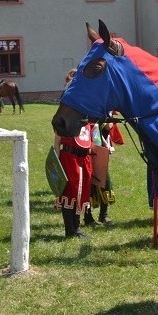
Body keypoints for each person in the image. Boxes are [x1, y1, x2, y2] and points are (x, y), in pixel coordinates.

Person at [53, 69, 93, 239]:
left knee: (81, 192)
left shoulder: (87, 112)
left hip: (84, 157)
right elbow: (57, 137)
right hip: (69, 157)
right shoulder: (68, 114)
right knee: (70, 193)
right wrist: (56, 160)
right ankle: (70, 230)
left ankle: (76, 227)